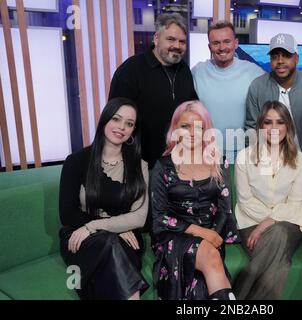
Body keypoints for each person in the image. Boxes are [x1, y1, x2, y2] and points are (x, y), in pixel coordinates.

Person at [59, 97, 150, 300]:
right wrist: (109, 226)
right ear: (105, 120)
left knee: (114, 247)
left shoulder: (139, 166)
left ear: (133, 132)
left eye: (129, 124)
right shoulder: (76, 161)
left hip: (126, 238)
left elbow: (139, 217)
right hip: (80, 238)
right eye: (116, 119)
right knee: (109, 243)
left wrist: (97, 225)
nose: (121, 127)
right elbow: (67, 214)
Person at [151, 100, 239, 300]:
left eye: (198, 127)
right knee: (210, 257)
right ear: (175, 129)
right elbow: (159, 218)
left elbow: (225, 210)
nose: (191, 133)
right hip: (174, 236)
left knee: (203, 277)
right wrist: (202, 233)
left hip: (211, 235)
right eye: (185, 126)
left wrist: (213, 235)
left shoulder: (218, 160)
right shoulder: (163, 166)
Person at [233, 100, 302, 300]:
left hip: (290, 223)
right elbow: (245, 201)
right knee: (280, 262)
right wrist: (268, 221)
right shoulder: (244, 157)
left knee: (279, 233)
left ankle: (236, 298)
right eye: (268, 122)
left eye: (280, 122)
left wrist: (270, 221)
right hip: (250, 221)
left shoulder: (300, 159)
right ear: (260, 126)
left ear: (288, 127)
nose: (274, 128)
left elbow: (296, 203)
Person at [109, 13, 197, 168]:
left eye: (182, 41)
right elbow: (114, 120)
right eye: (170, 39)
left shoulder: (185, 71)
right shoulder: (131, 70)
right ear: (156, 39)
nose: (177, 45)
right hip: (141, 165)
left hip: (179, 162)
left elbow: (192, 110)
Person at [245, 33, 302, 158]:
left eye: (286, 56)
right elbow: (252, 129)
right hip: (269, 163)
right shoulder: (257, 87)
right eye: (275, 57)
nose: (280, 61)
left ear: (296, 58)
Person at [191, 21, 265, 161]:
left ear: (236, 43)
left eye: (227, 41)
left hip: (243, 153)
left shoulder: (254, 72)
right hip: (207, 152)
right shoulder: (198, 72)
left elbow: (277, 86)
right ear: (209, 46)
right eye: (216, 43)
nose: (222, 47)